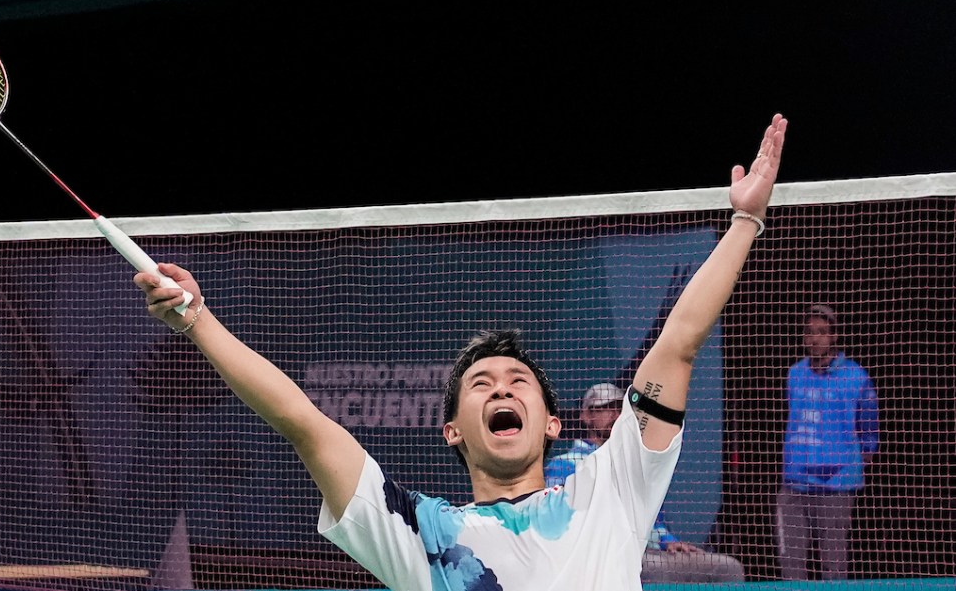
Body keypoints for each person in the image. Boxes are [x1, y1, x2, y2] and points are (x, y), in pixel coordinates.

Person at [133, 113, 788, 591]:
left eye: (516, 380)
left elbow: (677, 343)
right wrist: (199, 322)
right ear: (451, 429)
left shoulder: (609, 493)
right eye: (480, 384)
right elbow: (302, 421)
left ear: (553, 424)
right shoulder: (416, 530)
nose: (500, 388)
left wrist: (743, 222)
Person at [546, 383, 745, 583]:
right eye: (606, 408)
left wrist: (667, 541)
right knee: (655, 571)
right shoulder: (564, 465)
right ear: (586, 416)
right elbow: (554, 519)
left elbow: (649, 515)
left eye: (619, 408)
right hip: (600, 553)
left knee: (727, 568)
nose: (615, 415)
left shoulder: (634, 463)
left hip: (647, 549)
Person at [777, 302, 879, 580]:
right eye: (809, 332)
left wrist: (845, 467)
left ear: (834, 336)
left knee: (834, 568)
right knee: (790, 568)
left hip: (835, 488)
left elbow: (870, 435)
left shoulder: (856, 378)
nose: (814, 338)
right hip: (795, 486)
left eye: (822, 332)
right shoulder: (794, 374)